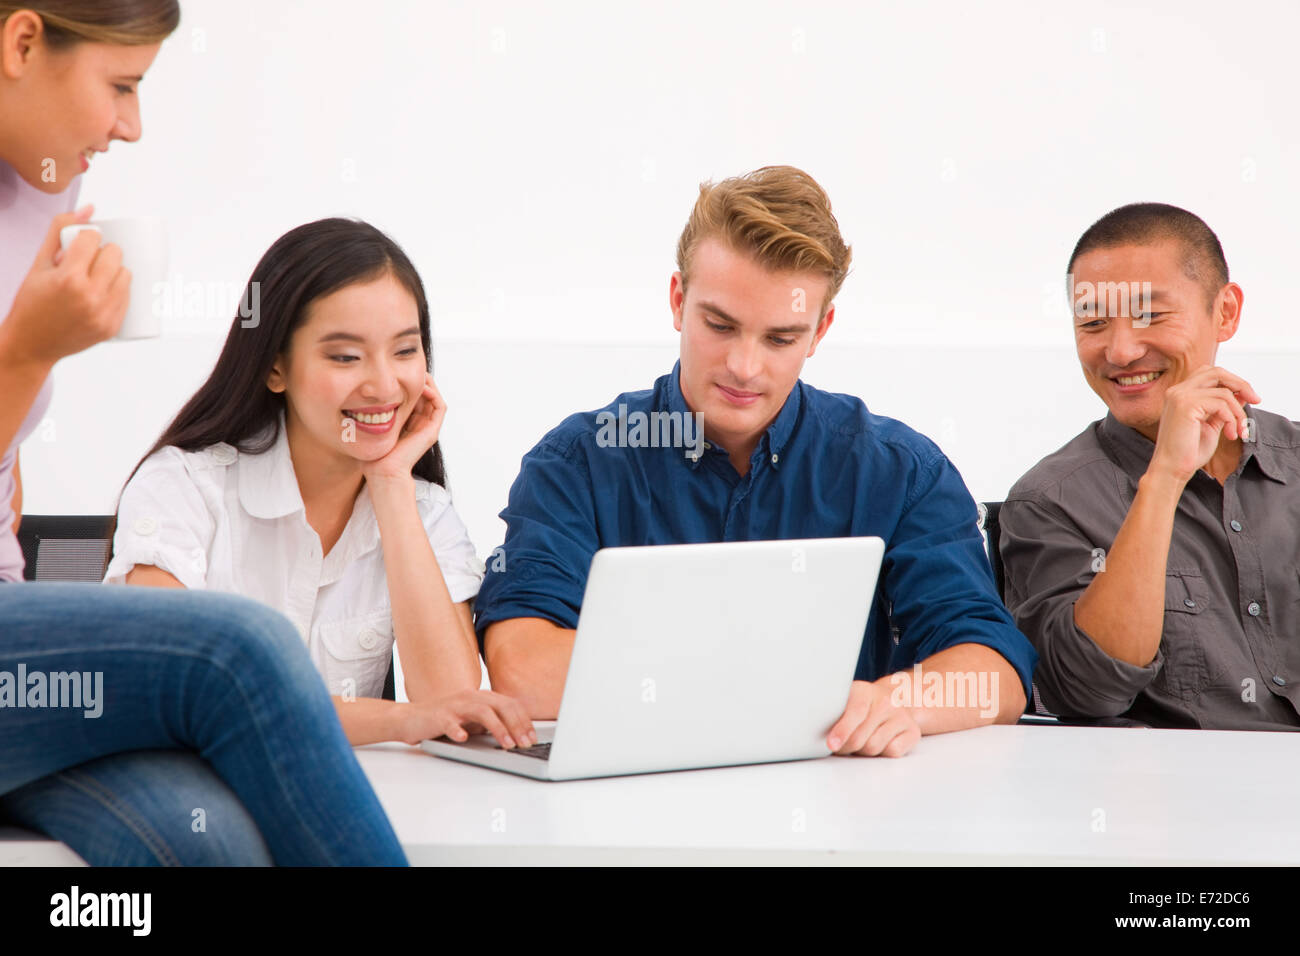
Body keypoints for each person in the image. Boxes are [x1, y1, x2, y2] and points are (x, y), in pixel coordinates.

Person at [0, 0, 406, 864]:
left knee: (210, 842)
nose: (131, 125)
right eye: (121, 85)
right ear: (22, 42)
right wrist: (24, 356)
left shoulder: (40, 187)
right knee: (240, 647)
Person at [475, 165, 1036, 757]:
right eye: (720, 325)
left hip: (839, 823)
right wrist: (783, 690)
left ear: (820, 331)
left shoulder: (900, 471)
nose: (744, 367)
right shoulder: (578, 464)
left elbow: (994, 675)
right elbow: (526, 676)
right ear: (677, 300)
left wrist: (901, 701)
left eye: (779, 339)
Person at [109, 217, 536, 750]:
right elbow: (179, 690)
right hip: (190, 786)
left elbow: (450, 699)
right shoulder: (183, 486)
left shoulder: (422, 508)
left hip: (340, 790)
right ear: (274, 367)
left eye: (405, 350)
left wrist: (389, 483)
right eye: (345, 357)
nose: (384, 385)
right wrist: (400, 720)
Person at [999, 202, 1300, 730]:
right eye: (1093, 322)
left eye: (1151, 315)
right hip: (1178, 802)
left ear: (1224, 312)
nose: (1119, 351)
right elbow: (1087, 691)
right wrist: (1163, 479)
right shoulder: (1049, 502)